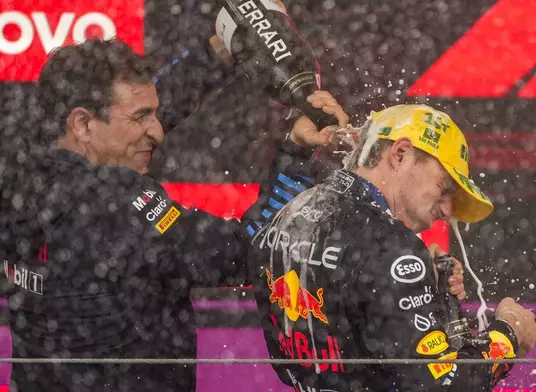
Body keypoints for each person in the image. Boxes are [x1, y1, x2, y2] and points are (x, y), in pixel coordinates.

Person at [0, 37, 350, 392]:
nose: (158, 130)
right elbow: (251, 250)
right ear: (83, 124)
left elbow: (119, 117)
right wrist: (295, 153)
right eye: (141, 117)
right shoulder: (117, 201)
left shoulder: (19, 172)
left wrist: (215, 55)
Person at [247, 104, 536, 391]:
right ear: (400, 154)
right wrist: (507, 336)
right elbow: (443, 386)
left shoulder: (290, 213)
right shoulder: (389, 247)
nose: (448, 209)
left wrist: (425, 290)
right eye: (445, 187)